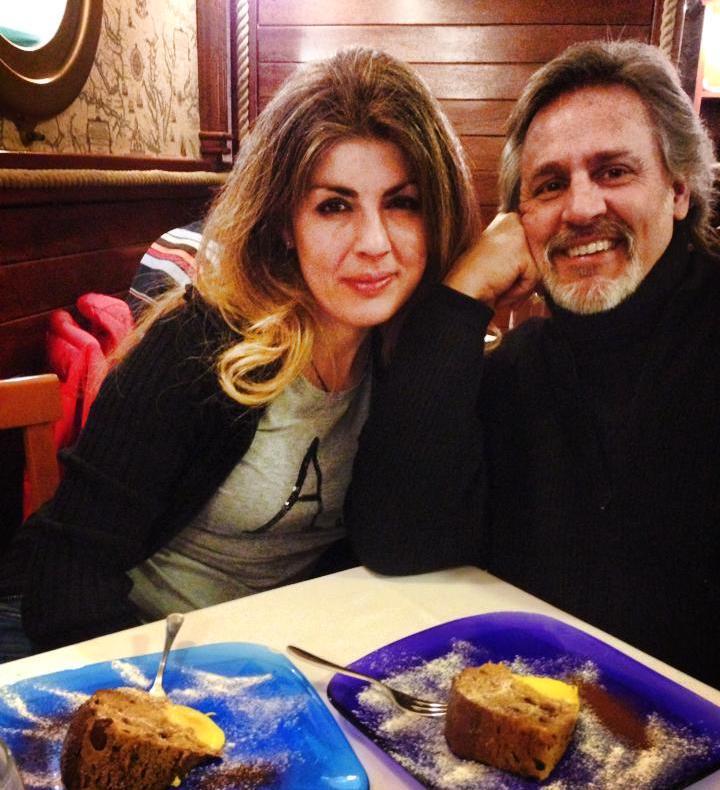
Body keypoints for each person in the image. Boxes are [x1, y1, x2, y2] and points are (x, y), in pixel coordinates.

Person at [0, 47, 479, 660]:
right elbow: (65, 585)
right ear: (285, 223)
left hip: (266, 656)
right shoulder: (199, 344)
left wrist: (462, 303)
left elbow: (412, 550)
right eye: (334, 205)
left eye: (402, 203)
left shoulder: (415, 364)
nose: (374, 243)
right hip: (104, 643)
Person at [345, 39, 720, 688]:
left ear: (680, 190)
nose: (579, 208)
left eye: (614, 172)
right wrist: (461, 299)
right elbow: (398, 541)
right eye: (550, 185)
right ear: (521, 219)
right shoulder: (521, 370)